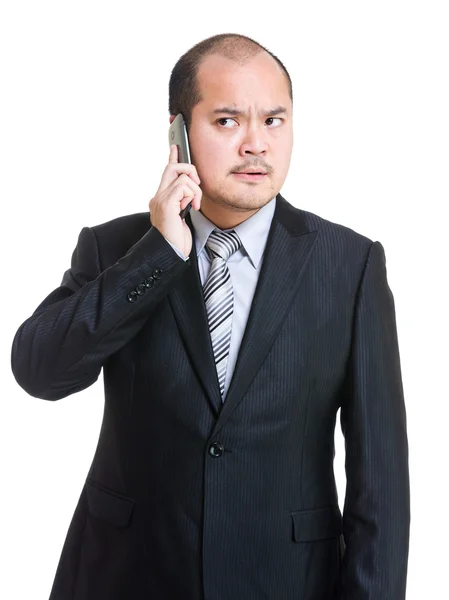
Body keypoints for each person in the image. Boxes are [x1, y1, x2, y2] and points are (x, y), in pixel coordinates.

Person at [11, 32, 410, 600]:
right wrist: (158, 254)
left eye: (274, 120)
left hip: (286, 583)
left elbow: (381, 483)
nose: (256, 145)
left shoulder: (349, 267)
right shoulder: (115, 249)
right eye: (227, 121)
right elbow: (39, 371)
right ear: (178, 132)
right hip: (128, 578)